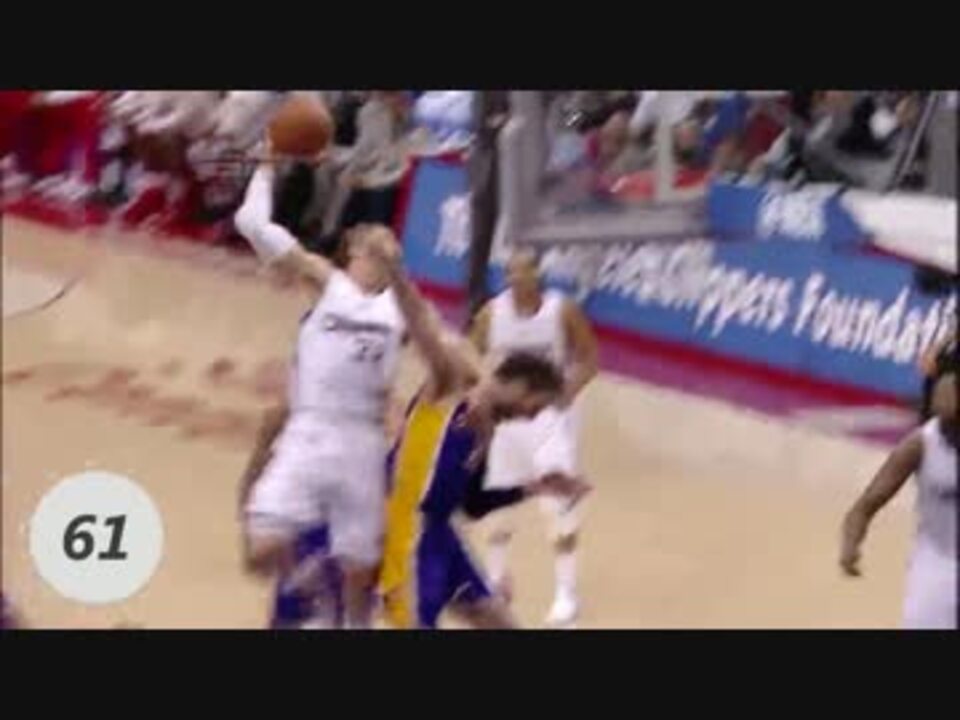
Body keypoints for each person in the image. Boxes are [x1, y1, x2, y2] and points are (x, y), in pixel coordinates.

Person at [364, 229, 590, 629]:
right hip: (403, 526)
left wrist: (534, 487)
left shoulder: (490, 430)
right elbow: (423, 325)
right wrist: (395, 271)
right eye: (534, 407)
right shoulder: (451, 385)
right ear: (523, 387)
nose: (530, 418)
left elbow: (472, 503)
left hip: (440, 534)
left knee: (502, 623)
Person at [234, 142, 407, 629]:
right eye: (372, 245)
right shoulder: (327, 283)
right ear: (352, 252)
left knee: (360, 574)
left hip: (361, 440)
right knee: (262, 546)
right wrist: (266, 168)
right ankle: (307, 582)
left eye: (390, 246)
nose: (382, 250)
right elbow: (253, 223)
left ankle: (342, 616)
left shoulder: (401, 309)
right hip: (312, 429)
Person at [470, 248, 599, 626]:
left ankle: (566, 594)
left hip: (549, 421)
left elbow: (588, 359)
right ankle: (494, 583)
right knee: (498, 510)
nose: (516, 279)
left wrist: (564, 395)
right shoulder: (491, 314)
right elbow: (473, 356)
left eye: (523, 271)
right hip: (507, 422)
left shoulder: (562, 312)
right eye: (510, 272)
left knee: (557, 508)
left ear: (538, 274)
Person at [840, 353, 957, 629]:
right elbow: (865, 505)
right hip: (937, 568)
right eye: (945, 422)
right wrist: (850, 543)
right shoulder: (920, 445)